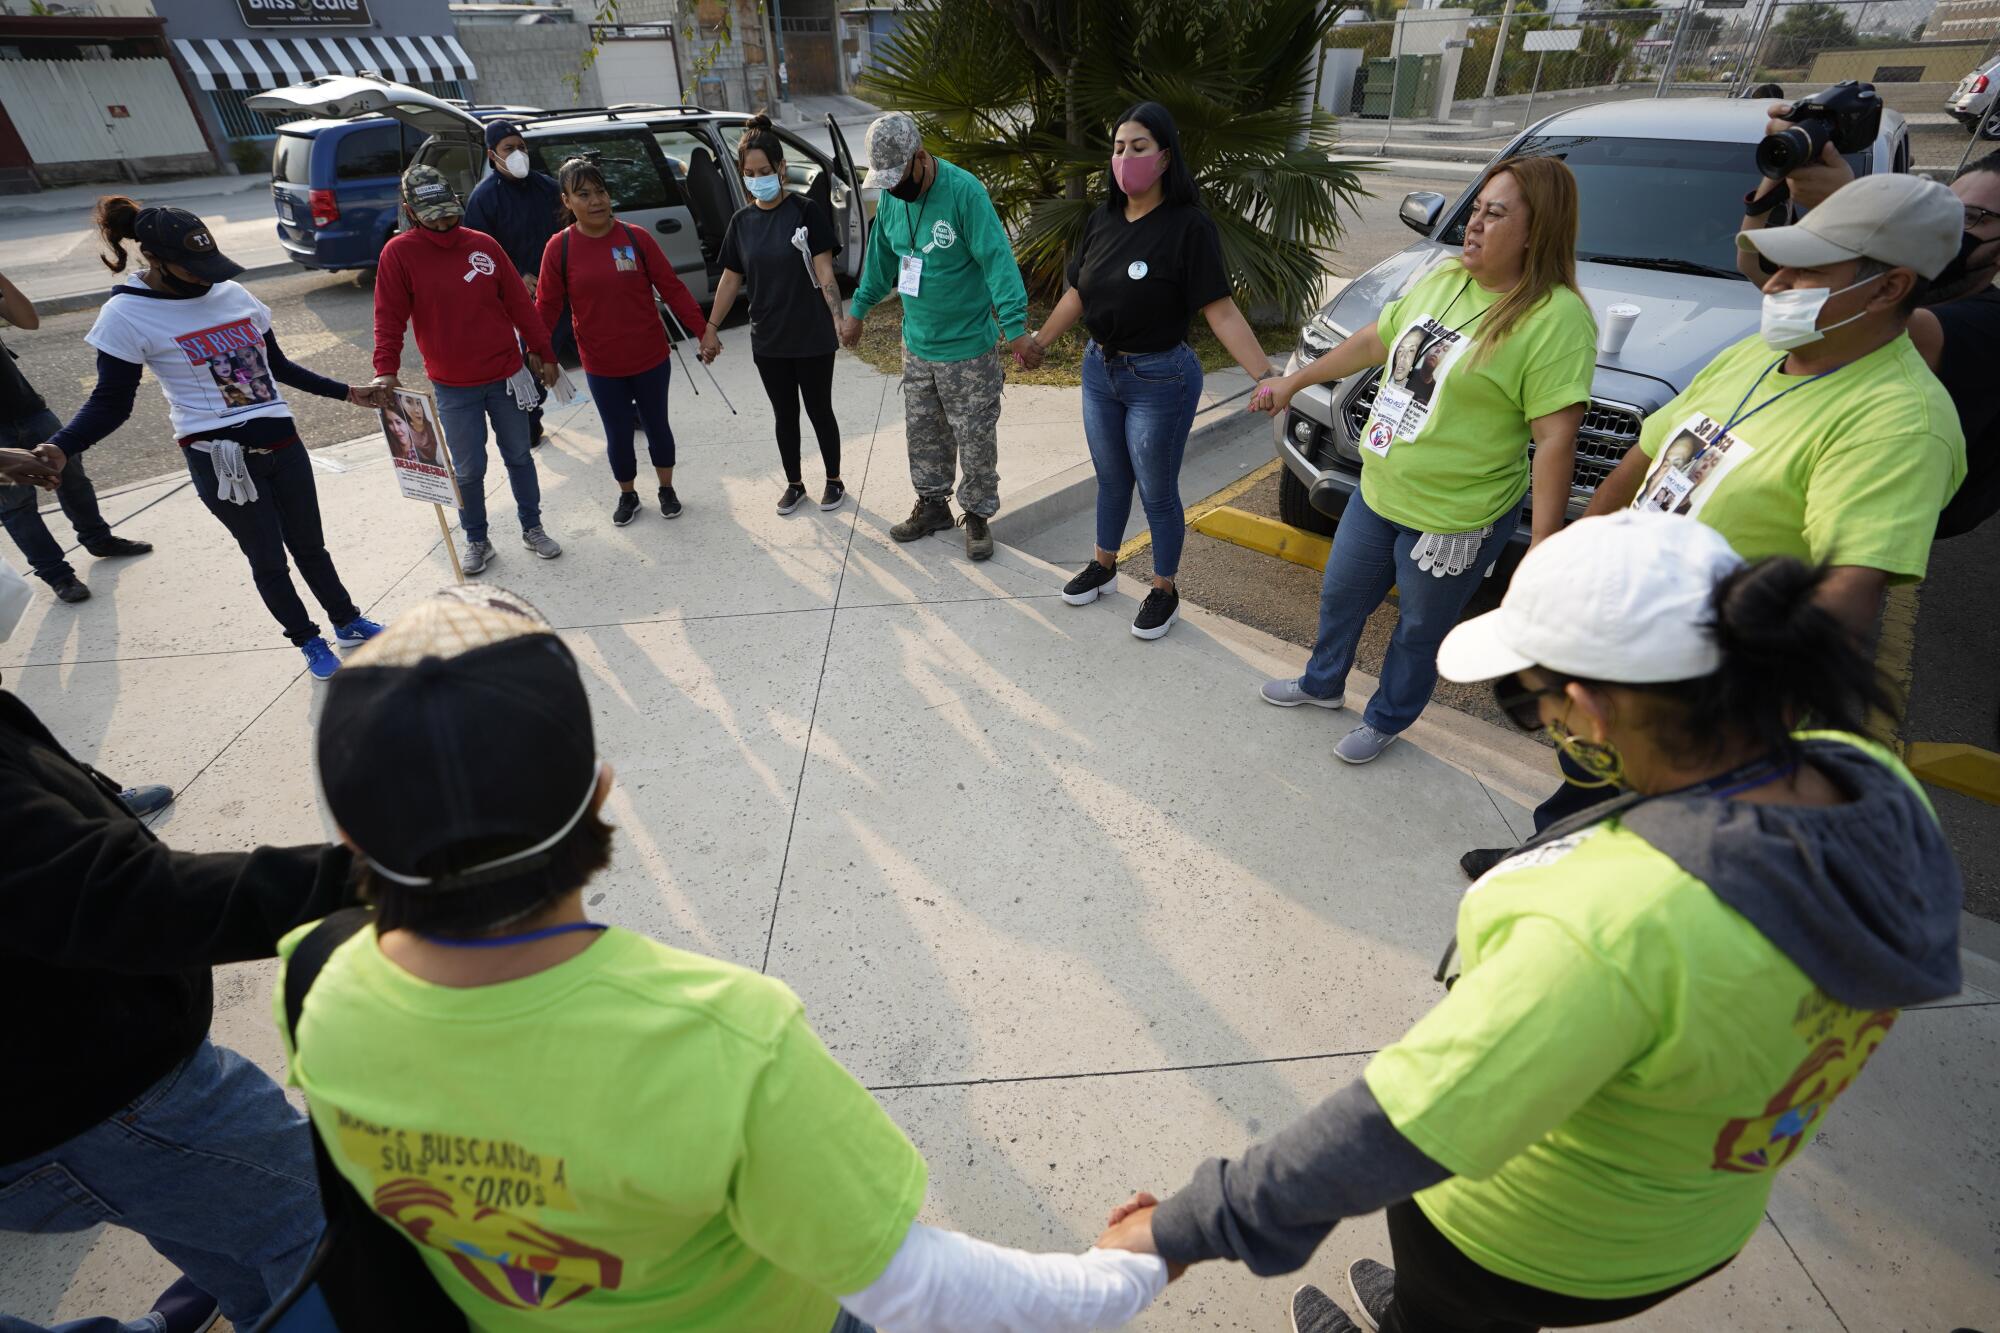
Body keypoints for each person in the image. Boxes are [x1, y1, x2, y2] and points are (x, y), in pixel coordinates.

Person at [1094, 511, 1964, 1333]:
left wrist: (1179, 1227)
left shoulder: (1617, 920)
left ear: (1588, 704)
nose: (1537, 720)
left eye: (1523, 698)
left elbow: (1395, 1125)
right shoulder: (1865, 784)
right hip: (1687, 1220)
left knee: (1454, 1311)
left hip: (1517, 1234)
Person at [279, 584, 1170, 1331]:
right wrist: (1130, 1264)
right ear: (601, 790)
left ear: (349, 836)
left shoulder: (318, 990)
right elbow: (918, 1288)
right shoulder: (727, 1040)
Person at [0, 551, 361, 1333]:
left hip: (78, 1093)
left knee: (224, 1231)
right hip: (102, 1096)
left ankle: (256, 1303)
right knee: (333, 1236)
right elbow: (117, 894)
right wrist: (372, 879)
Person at [1249, 157, 1596, 764]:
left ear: (1537, 231)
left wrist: (1544, 543)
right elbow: (1375, 340)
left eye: (1495, 213)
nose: (1474, 224)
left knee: (1417, 629)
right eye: (1476, 209)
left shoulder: (1555, 319)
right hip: (1381, 485)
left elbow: (1557, 438)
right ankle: (1322, 684)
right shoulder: (1445, 279)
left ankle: (1387, 718)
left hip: (1455, 517)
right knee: (1341, 595)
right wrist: (1293, 379)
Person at [48, 198, 385, 681]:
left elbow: (278, 367)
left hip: (283, 444)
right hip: (221, 460)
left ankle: (348, 621)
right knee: (268, 559)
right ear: (156, 259)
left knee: (312, 547)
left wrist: (347, 393)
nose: (208, 277)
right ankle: (308, 640)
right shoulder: (125, 314)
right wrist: (62, 445)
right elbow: (110, 402)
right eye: (194, 268)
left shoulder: (231, 294)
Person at [1025, 101, 1279, 640]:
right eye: (1118, 148)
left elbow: (1221, 309)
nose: (1125, 158)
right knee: (1112, 478)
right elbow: (1077, 290)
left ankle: (1164, 590)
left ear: (1164, 158)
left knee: (1156, 489)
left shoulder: (1189, 228)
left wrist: (1264, 374)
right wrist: (1040, 341)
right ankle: (1104, 566)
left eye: (1138, 147)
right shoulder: (1102, 219)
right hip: (1101, 371)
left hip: (1161, 378)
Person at [1738, 128, 2000, 539]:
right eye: (1953, 208)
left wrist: (1853, 210)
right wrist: (1779, 169)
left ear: (1891, 288)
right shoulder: (1890, 283)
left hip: (1888, 512)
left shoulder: (1986, 323)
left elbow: (1867, 319)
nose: (1953, 226)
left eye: (1974, 218)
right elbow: (1755, 264)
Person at [842, 112, 1034, 561]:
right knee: (924, 432)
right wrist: (859, 311)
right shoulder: (892, 198)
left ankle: (979, 515)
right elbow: (880, 259)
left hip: (969, 347)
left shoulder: (965, 193)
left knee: (975, 437)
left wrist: (1016, 328)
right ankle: (932, 506)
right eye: (885, 181)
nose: (893, 187)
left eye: (899, 176)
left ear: (921, 158)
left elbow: (997, 262)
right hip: (918, 345)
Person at [373, 165, 562, 576]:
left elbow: (519, 305)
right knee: (469, 468)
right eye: (432, 216)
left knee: (519, 456)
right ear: (410, 211)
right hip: (453, 385)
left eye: (449, 213)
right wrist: (384, 370)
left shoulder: (484, 245)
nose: (444, 223)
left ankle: (533, 526)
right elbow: (388, 318)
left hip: (506, 375)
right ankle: (477, 537)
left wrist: (544, 352)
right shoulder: (399, 254)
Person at [535, 156, 707, 526]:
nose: (596, 201)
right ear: (566, 201)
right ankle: (628, 494)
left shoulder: (635, 238)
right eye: (583, 194)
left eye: (601, 191)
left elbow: (672, 288)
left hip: (650, 357)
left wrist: (702, 330)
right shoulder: (559, 248)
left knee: (657, 425)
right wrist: (540, 352)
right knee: (617, 433)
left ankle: (666, 488)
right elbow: (546, 307)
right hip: (601, 363)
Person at [701, 115, 848, 517]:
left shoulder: (806, 211)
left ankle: (834, 480)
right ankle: (795, 484)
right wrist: (710, 329)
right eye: (750, 173)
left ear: (782, 168)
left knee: (819, 409)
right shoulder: (741, 223)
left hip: (812, 334)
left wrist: (838, 316)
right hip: (769, 339)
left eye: (765, 171)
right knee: (785, 414)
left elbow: (823, 270)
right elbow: (731, 280)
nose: (758, 178)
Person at [0, 267, 152, 604]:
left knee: (71, 475)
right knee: (15, 504)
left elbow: (28, 320)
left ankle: (98, 538)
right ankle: (58, 575)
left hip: (28, 407)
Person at [464, 119, 566, 446]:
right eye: (510, 149)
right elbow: (477, 254)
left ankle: (627, 405)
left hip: (563, 289)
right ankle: (531, 420)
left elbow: (571, 232)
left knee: (591, 344)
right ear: (493, 156)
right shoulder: (483, 199)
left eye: (522, 146)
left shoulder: (550, 188)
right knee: (530, 358)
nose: (519, 153)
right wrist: (516, 276)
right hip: (520, 298)